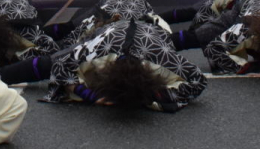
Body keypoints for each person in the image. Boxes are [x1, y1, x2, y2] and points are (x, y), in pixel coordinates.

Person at [35, 18, 207, 111]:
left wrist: (154, 95)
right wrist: (89, 95)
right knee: (49, 62)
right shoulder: (97, 49)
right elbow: (60, 65)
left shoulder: (161, 55)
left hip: (150, 29)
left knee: (55, 61)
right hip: (111, 29)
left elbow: (198, 80)